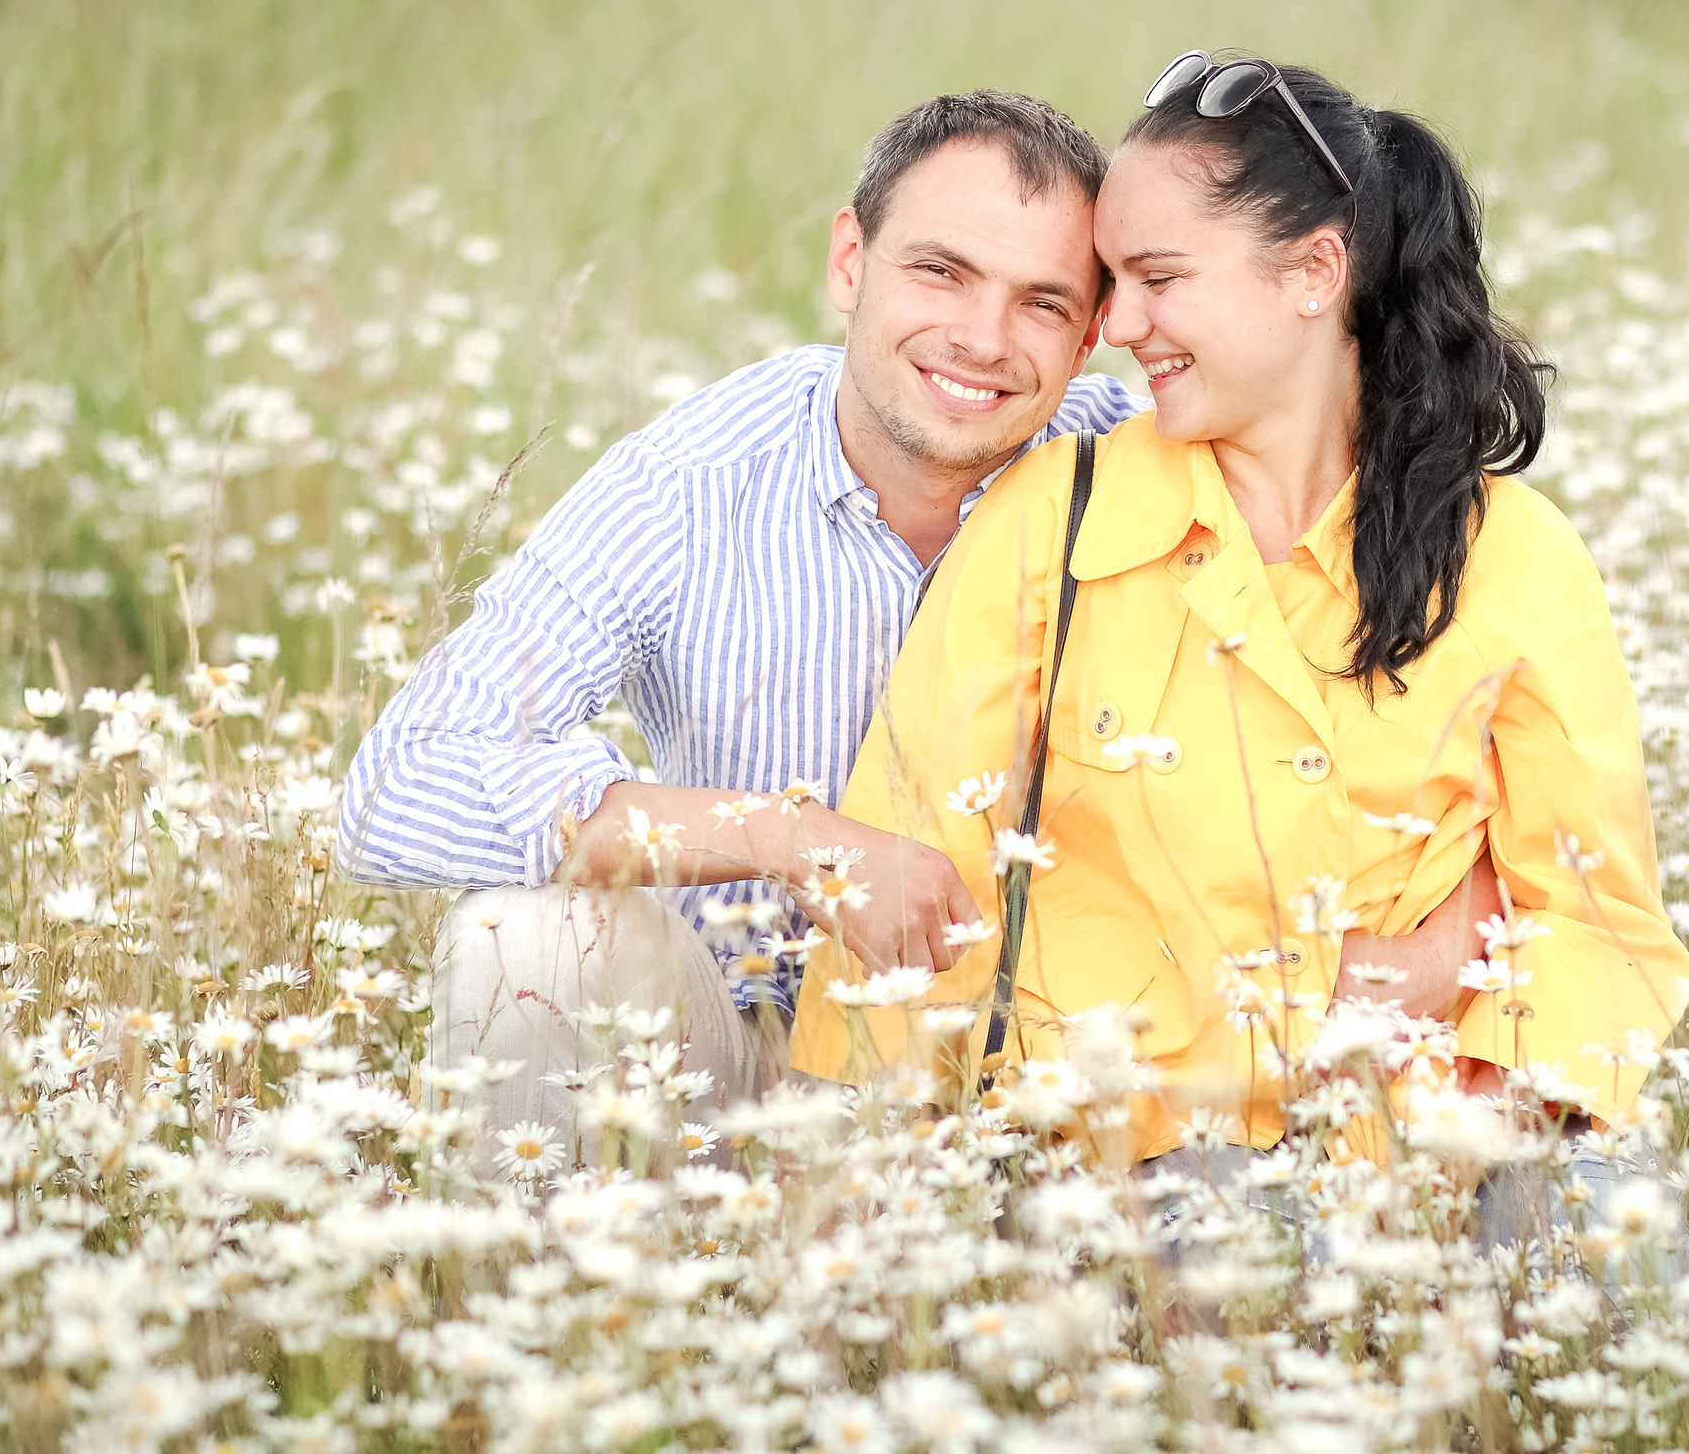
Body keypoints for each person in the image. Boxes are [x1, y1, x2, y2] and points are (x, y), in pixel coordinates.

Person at [789, 53, 1689, 1175]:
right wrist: (863, 1178)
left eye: (1157, 279)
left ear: (1313, 271)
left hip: (1449, 1142)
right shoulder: (1055, 518)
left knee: (1612, 1264)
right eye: (1111, 282)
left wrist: (1504, 1152)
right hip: (1146, 1157)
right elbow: (917, 876)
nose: (1119, 324)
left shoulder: (1513, 552)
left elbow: (1596, 915)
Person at [340, 91, 1144, 1145]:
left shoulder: (1142, 478)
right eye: (940, 271)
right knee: (524, 939)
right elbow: (396, 785)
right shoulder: (688, 483)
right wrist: (788, 835)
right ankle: (571, 1254)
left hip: (1049, 1079)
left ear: (1091, 334)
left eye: (1041, 302)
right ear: (849, 262)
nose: (981, 338)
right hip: (738, 1056)